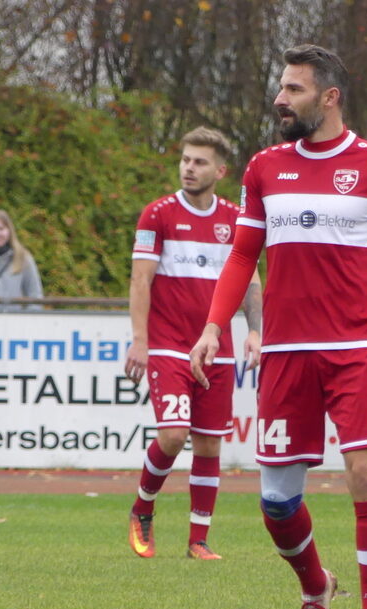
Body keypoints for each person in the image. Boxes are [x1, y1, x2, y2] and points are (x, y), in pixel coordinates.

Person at [190, 45, 367, 609]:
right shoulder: (263, 168)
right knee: (276, 503)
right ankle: (316, 587)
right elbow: (241, 257)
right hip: (284, 352)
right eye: (281, 88)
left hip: (357, 347)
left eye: (294, 90)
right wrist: (212, 327)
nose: (280, 99)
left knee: (365, 474)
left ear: (329, 97)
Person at [125, 126, 262, 562]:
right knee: (173, 434)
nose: (189, 167)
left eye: (200, 161)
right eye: (185, 159)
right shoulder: (157, 215)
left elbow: (250, 279)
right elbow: (141, 280)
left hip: (216, 347)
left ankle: (198, 540)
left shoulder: (235, 218)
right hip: (168, 345)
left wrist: (256, 330)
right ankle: (143, 507)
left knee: (208, 444)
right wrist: (140, 341)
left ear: (220, 170)